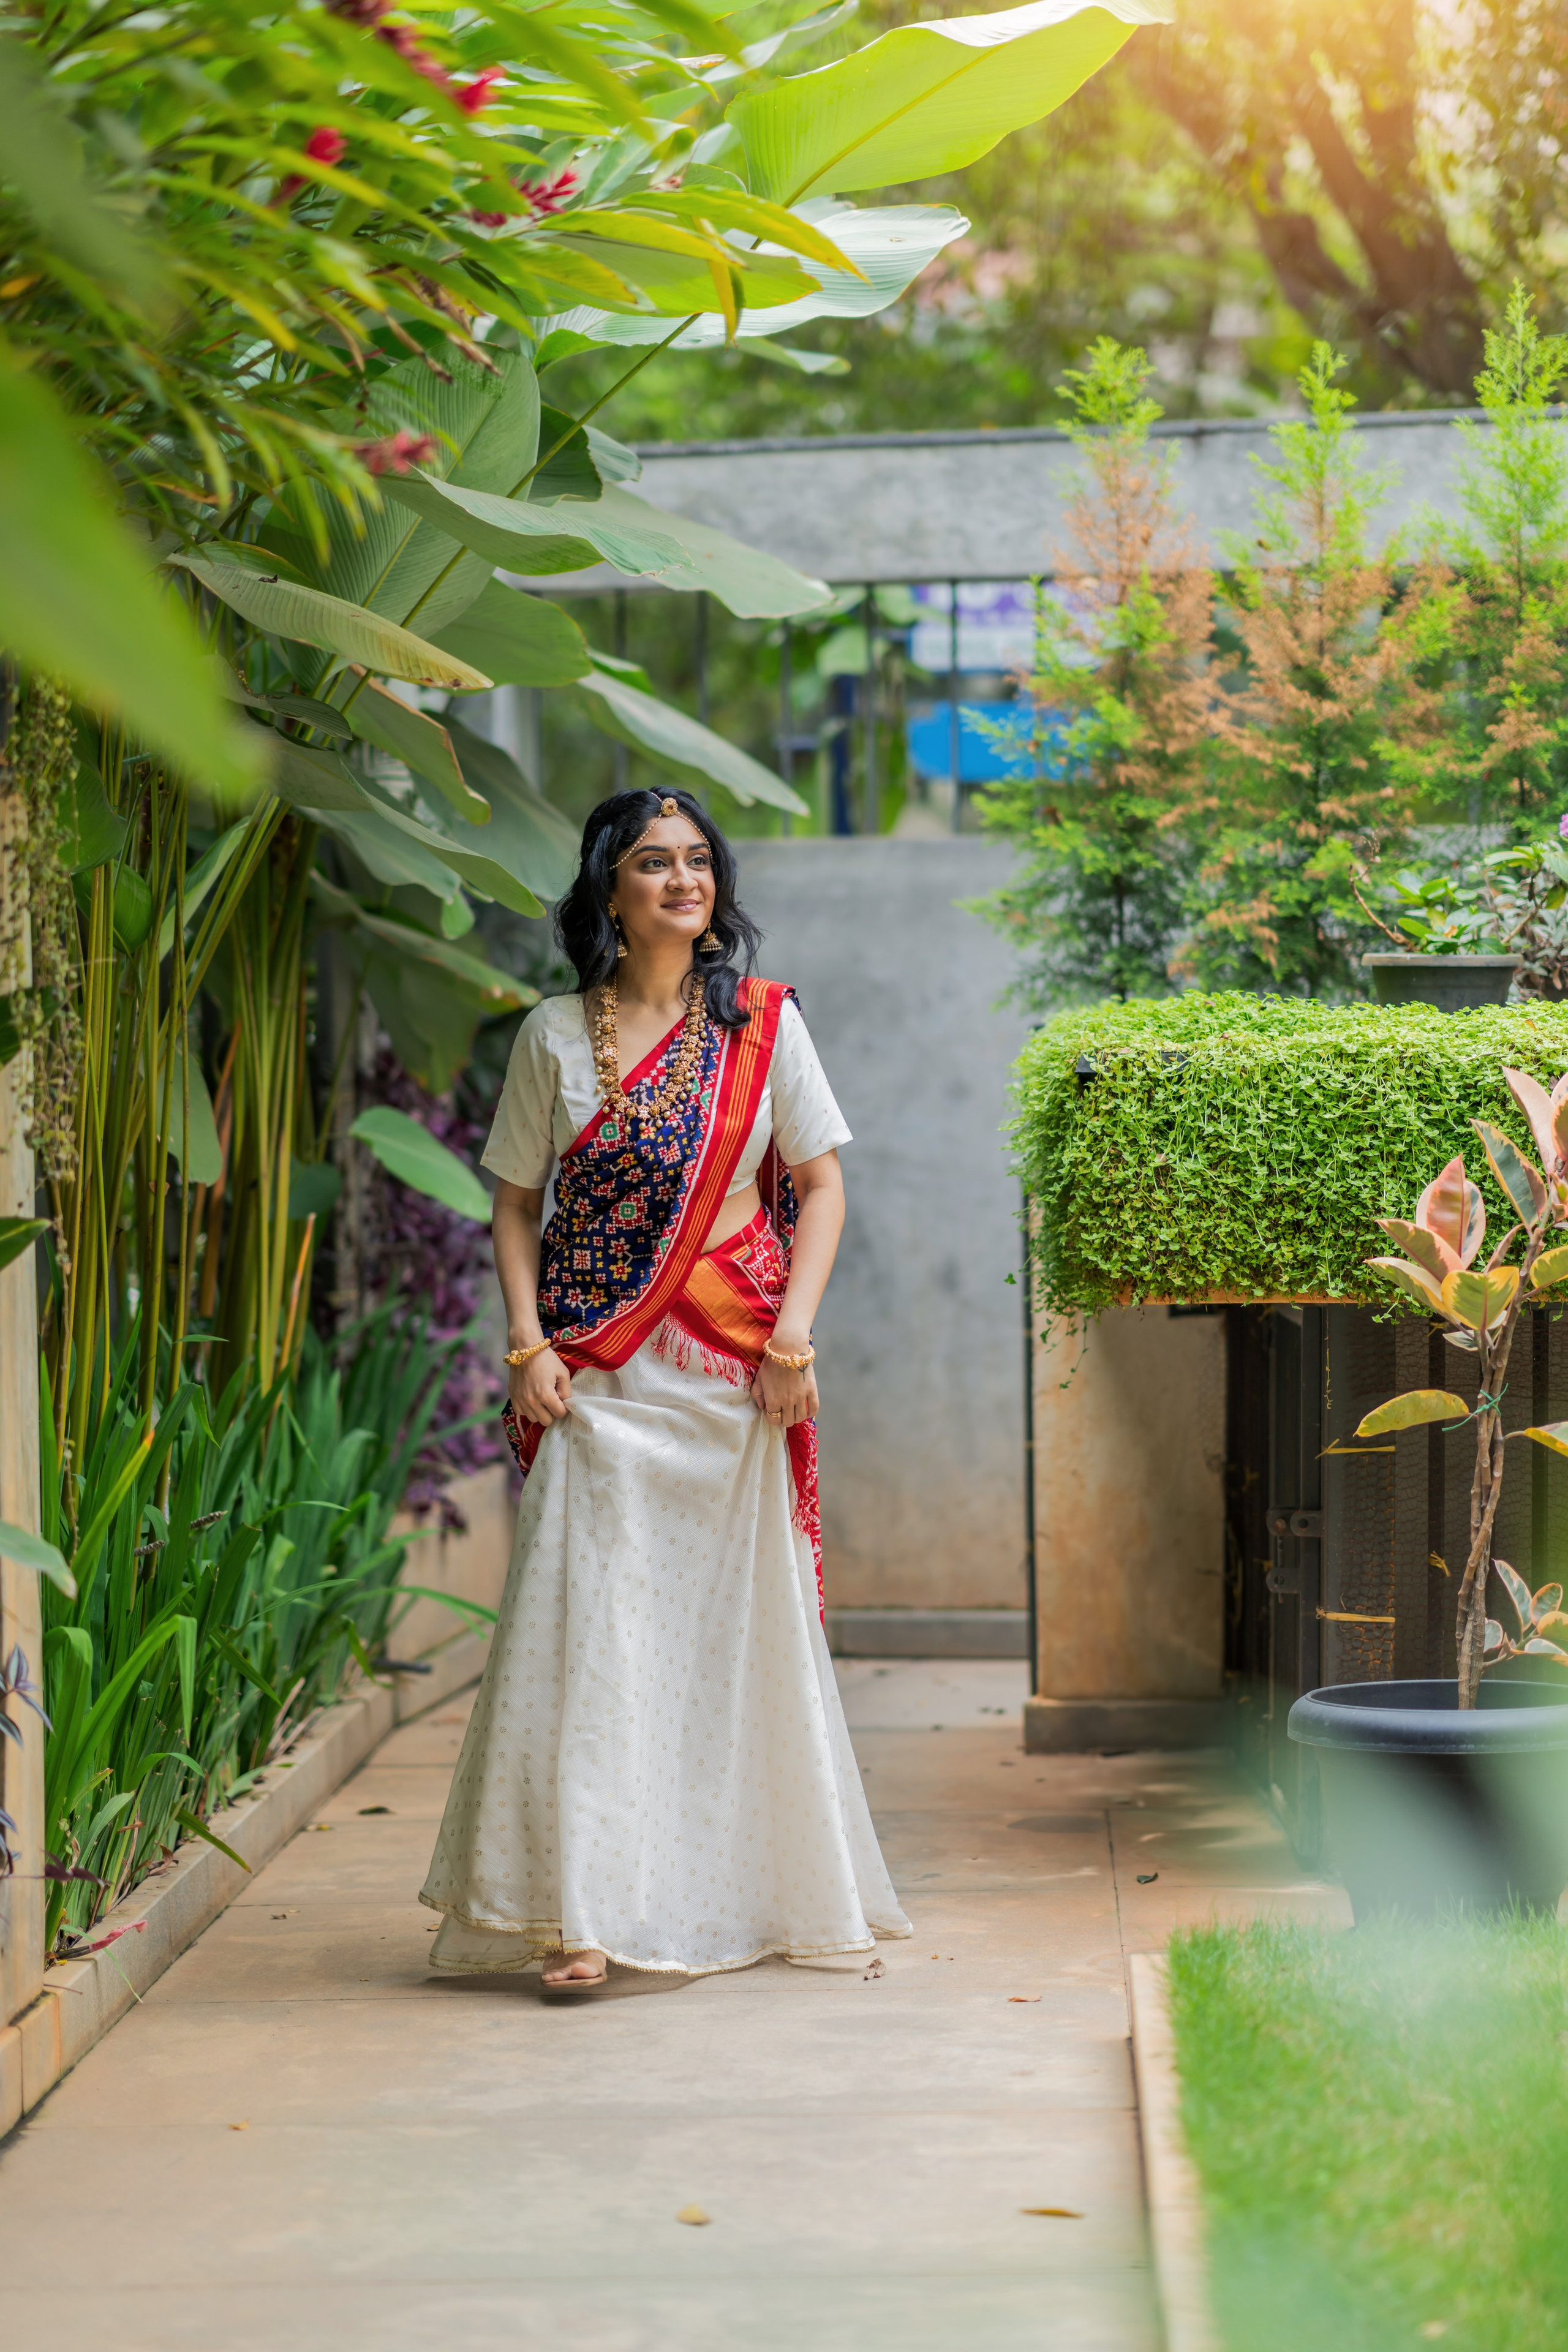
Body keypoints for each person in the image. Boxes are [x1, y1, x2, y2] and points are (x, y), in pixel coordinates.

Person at [420, 787, 910, 1989]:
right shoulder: (549, 1037)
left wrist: (791, 1339)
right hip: (594, 1375)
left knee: (722, 1642)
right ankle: (580, 1915)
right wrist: (527, 1347)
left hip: (731, 1371)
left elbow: (822, 1185)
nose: (683, 881)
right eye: (653, 863)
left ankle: (737, 1889)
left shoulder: (761, 1026)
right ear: (609, 890)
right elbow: (518, 1204)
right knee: (590, 1637)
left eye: (697, 862)